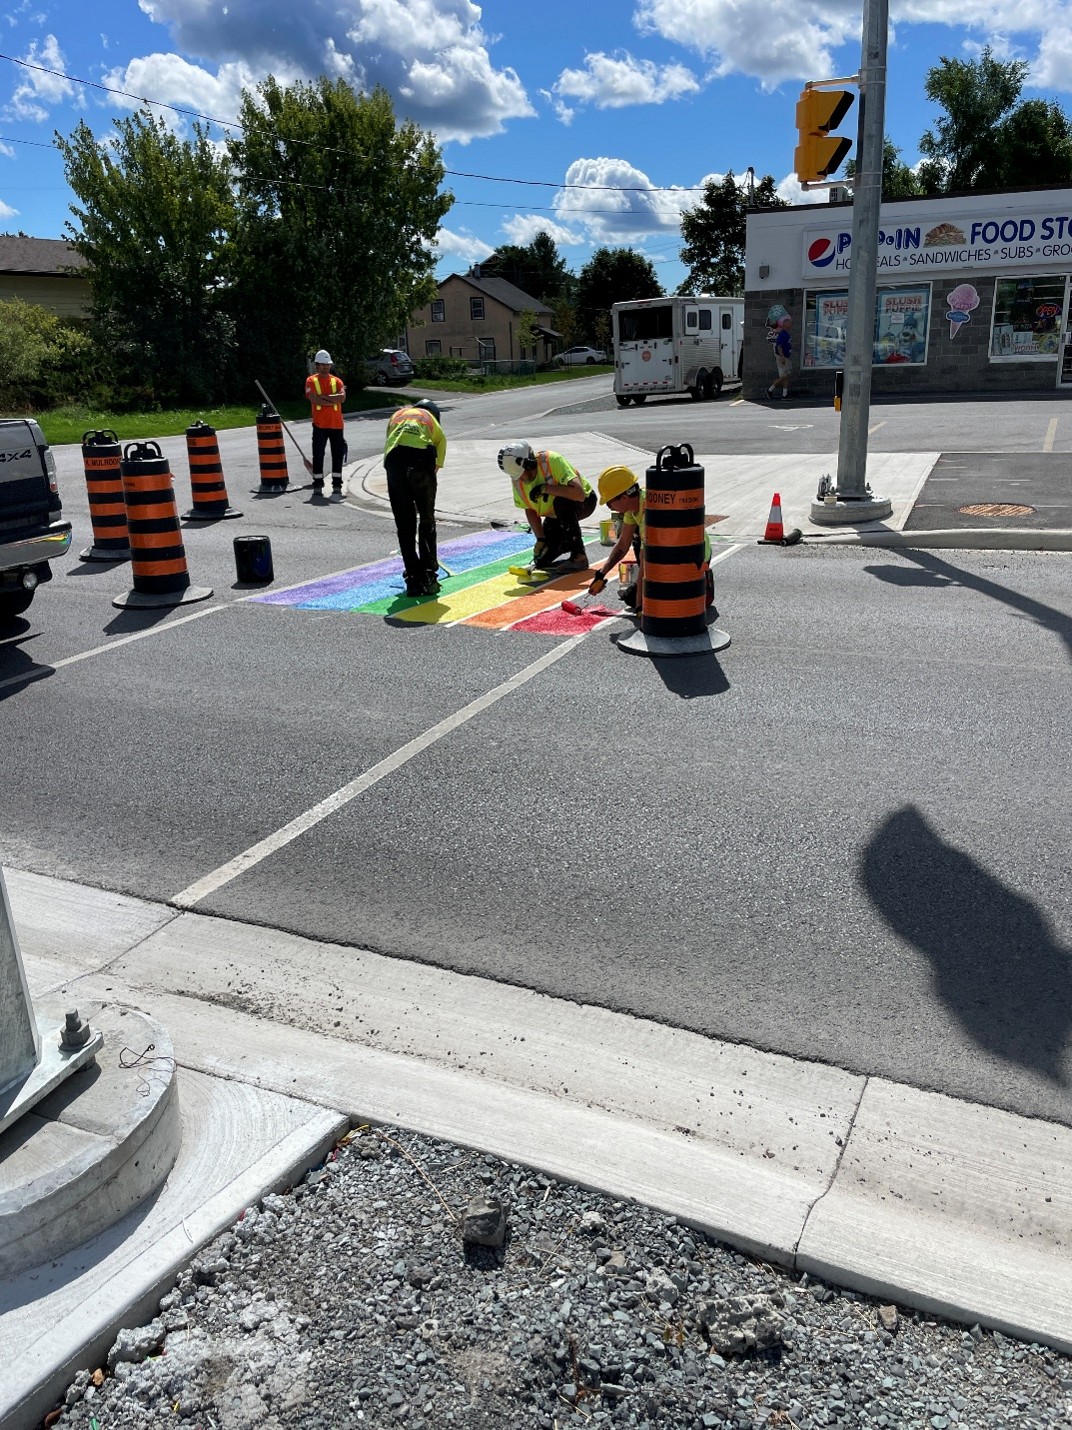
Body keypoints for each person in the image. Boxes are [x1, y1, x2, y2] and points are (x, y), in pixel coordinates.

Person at [588, 465, 714, 615]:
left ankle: (703, 584)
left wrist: (642, 607)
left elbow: (646, 561)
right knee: (632, 598)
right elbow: (622, 545)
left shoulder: (651, 511)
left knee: (669, 607)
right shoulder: (633, 507)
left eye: (609, 502)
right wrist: (601, 575)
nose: (609, 507)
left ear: (624, 497)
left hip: (693, 559)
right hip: (671, 555)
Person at [496, 441, 596, 572]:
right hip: (554, 514)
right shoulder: (517, 479)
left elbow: (579, 494)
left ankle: (579, 557)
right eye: (518, 477)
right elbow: (529, 509)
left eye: (523, 475)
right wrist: (541, 539)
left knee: (561, 503)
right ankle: (567, 542)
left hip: (583, 502)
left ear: (530, 463)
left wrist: (546, 488)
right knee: (542, 560)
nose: (522, 480)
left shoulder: (551, 461)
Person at [383, 398, 447, 598]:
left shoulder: (397, 415)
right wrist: (422, 497)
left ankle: (412, 577)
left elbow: (391, 443)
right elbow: (434, 469)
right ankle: (428, 576)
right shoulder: (433, 424)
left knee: (405, 524)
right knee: (427, 521)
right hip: (421, 458)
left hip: (393, 462)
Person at [305, 349, 347, 497]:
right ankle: (317, 484)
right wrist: (332, 398)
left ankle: (337, 485)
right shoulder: (311, 380)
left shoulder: (337, 381)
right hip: (319, 425)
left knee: (337, 455)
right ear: (317, 366)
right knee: (318, 455)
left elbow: (341, 399)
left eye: (327, 365)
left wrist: (324, 398)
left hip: (336, 425)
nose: (325, 367)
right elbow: (314, 399)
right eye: (322, 365)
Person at [767, 317, 792, 399]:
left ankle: (784, 395)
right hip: (782, 357)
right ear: (785, 325)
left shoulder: (787, 334)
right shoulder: (782, 334)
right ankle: (770, 389)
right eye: (789, 323)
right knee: (783, 376)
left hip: (787, 357)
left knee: (786, 376)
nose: (790, 324)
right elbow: (779, 346)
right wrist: (782, 357)